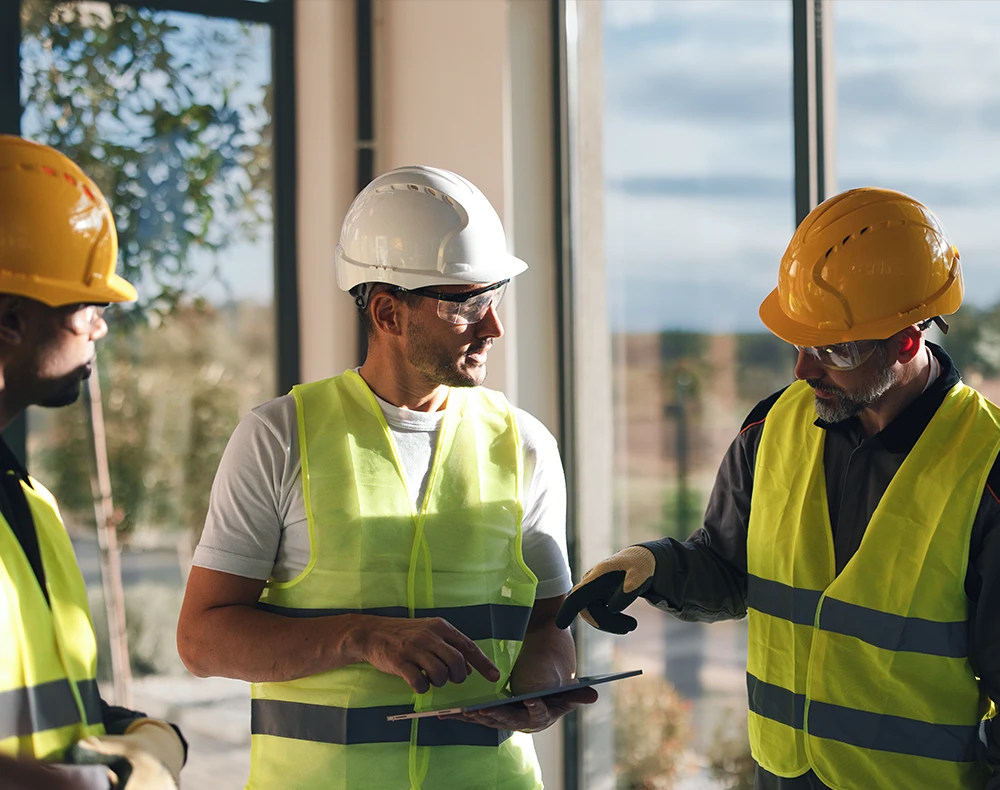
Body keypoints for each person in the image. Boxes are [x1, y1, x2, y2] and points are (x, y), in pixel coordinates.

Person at [556, 187, 1000, 789]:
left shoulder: (986, 467)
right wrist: (651, 567)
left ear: (905, 342)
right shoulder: (771, 429)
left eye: (833, 349)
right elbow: (730, 569)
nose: (804, 369)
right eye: (799, 342)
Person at [176, 165, 595, 789]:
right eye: (467, 305)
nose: (493, 327)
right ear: (388, 313)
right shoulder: (279, 437)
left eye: (495, 297)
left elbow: (548, 625)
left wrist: (544, 686)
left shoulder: (524, 444)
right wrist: (358, 637)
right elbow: (202, 640)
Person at [0, 136, 186, 788]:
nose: (102, 326)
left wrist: (142, 736)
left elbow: (48, 712)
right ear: (12, 319)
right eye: (88, 307)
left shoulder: (29, 505)